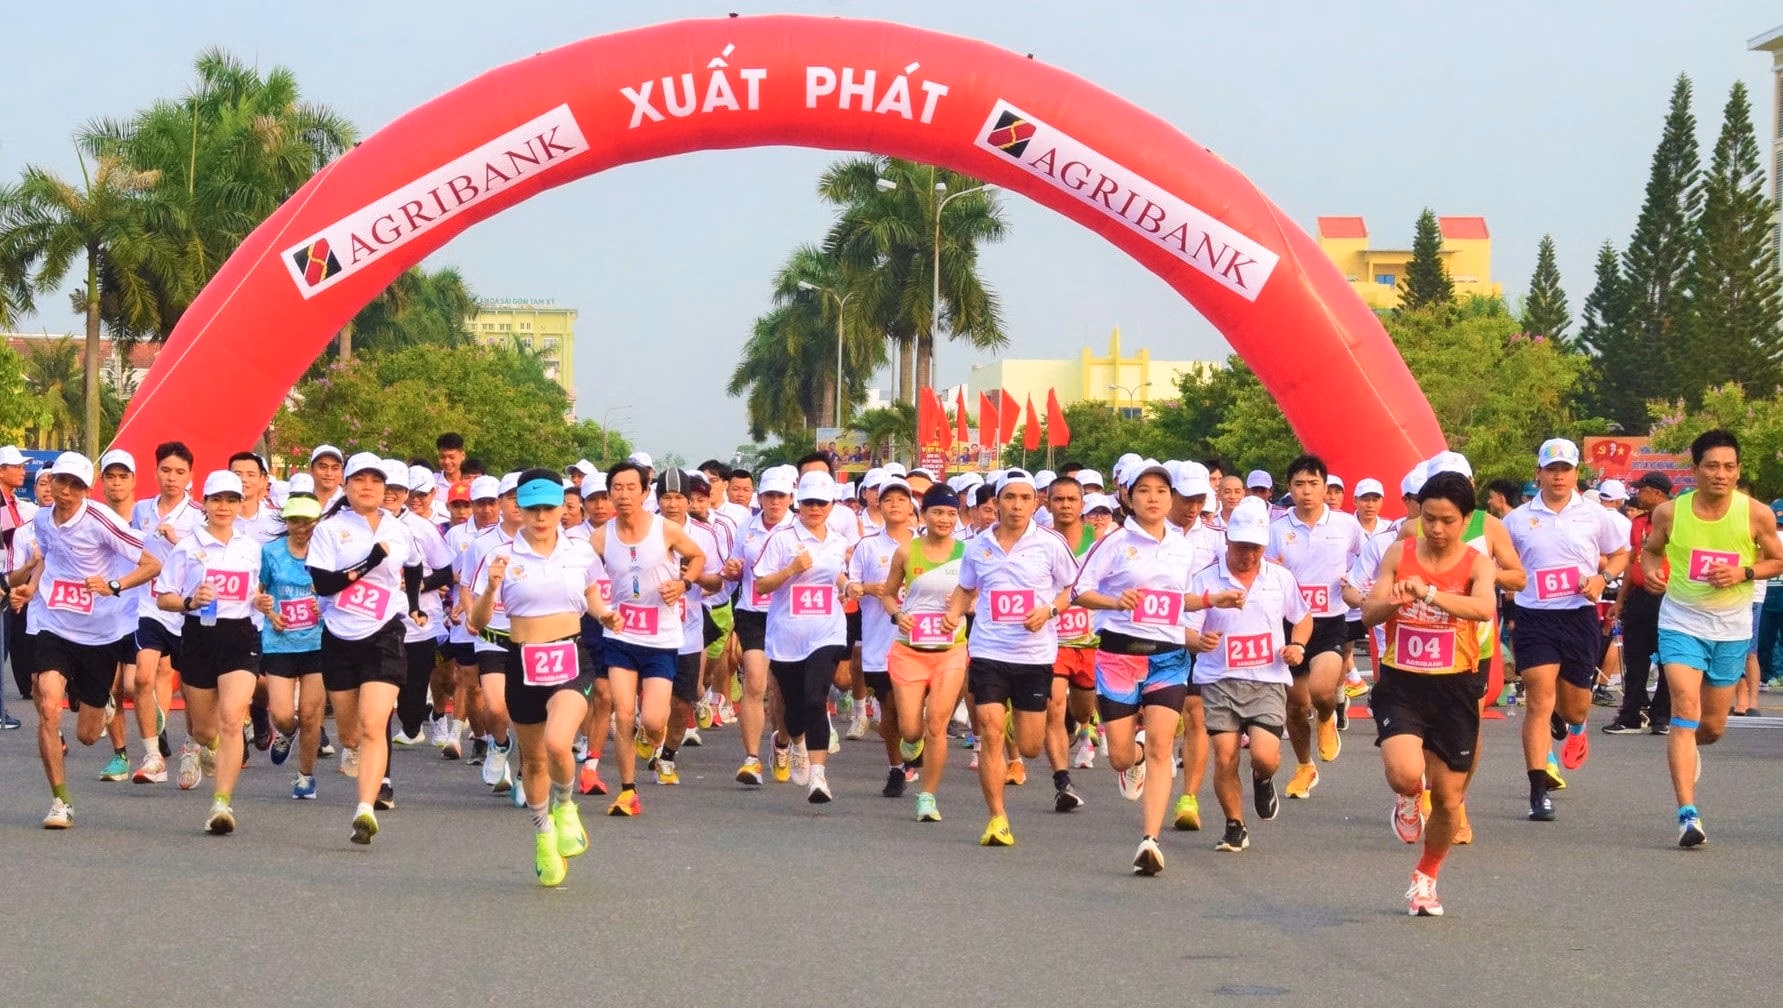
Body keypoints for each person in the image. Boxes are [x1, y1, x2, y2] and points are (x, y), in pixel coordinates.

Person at [1360, 471, 1497, 917]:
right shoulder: (1399, 553)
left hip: (1455, 686)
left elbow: (1484, 608)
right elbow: (1367, 613)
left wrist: (1431, 595)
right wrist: (1394, 602)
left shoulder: (1477, 563)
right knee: (1406, 773)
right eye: (1429, 519)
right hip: (1402, 683)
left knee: (1449, 799)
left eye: (1447, 521)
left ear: (1466, 520)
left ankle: (1427, 876)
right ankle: (1406, 796)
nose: (1436, 529)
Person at [1071, 461, 1217, 875]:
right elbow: (1080, 591)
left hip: (1168, 657)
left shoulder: (1183, 547)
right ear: (1129, 498)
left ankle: (1150, 840)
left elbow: (1181, 599)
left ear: (1171, 499)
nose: (1153, 498)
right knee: (1120, 756)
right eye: (1144, 491)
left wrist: (1211, 601)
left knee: (1160, 747)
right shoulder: (1114, 542)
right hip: (1119, 656)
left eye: (1161, 491)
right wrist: (1116, 602)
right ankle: (1131, 761)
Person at [1639, 429, 1783, 847]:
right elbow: (1651, 550)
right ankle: (1688, 814)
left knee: (1712, 726)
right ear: (1695, 470)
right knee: (1684, 707)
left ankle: (1690, 747)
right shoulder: (1670, 513)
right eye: (1712, 466)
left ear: (1738, 471)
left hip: (1732, 628)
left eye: (1729, 467)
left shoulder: (1756, 514)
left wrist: (1744, 572)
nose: (1721, 474)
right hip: (1681, 622)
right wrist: (1651, 572)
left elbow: (1777, 560)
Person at [471, 468, 610, 885]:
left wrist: (606, 615)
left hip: (570, 656)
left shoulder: (580, 551)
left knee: (557, 741)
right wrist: (491, 588)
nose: (541, 516)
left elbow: (593, 595)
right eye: (532, 508)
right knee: (533, 760)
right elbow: (477, 621)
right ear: (519, 509)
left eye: (549, 507)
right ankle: (543, 834)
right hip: (522, 660)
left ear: (563, 508)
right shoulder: (501, 556)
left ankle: (565, 806)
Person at [14, 453, 162, 828]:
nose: (66, 491)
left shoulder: (101, 520)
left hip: (99, 634)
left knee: (88, 736)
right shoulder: (42, 519)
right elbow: (47, 558)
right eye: (61, 481)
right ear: (50, 481)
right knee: (48, 704)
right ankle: (60, 801)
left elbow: (152, 565)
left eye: (76, 485)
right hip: (55, 624)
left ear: (87, 490)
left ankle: (104, 704)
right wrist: (32, 586)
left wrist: (114, 585)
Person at [944, 469, 1079, 847]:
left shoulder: (1050, 543)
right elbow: (965, 588)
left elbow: (1072, 588)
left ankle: (1012, 724)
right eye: (1009, 498)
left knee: (1030, 746)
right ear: (997, 502)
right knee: (989, 733)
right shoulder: (978, 546)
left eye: (1024, 498)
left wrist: (1050, 610)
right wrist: (953, 613)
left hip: (1034, 655)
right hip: (988, 650)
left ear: (1035, 503)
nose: (1017, 505)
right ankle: (997, 818)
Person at [1504, 439, 1628, 822]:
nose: (1558, 476)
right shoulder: (1517, 519)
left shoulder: (1596, 515)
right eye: (1551, 469)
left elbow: (1622, 553)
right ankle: (1538, 791)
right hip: (1534, 617)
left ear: (1576, 474)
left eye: (1566, 469)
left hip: (1578, 616)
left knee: (1575, 706)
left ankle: (1575, 725)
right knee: (1539, 701)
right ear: (1539, 473)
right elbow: (1502, 562)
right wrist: (1508, 582)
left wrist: (1603, 578)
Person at [307, 452, 422, 845]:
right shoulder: (330, 529)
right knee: (351, 733)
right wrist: (369, 562)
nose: (368, 487)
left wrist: (415, 604)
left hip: (384, 632)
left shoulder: (399, 529)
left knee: (374, 724)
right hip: (339, 634)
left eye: (375, 480)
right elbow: (324, 585)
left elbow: (415, 565)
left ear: (385, 487)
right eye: (359, 480)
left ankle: (365, 808)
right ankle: (352, 751)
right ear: (346, 486)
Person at [1185, 496, 1308, 855]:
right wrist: (1199, 641)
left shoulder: (1280, 577)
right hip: (1219, 679)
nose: (1248, 555)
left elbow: (1302, 617)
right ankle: (1234, 825)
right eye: (1241, 546)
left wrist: (1298, 645)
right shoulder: (1205, 580)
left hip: (1267, 678)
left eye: (1256, 548)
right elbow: (1185, 627)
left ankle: (1262, 777)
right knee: (1225, 755)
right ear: (1227, 540)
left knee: (1265, 756)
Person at [154, 470, 274, 834]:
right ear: (204, 504)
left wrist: (261, 601)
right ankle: (211, 747)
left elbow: (257, 592)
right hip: (199, 637)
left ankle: (221, 804)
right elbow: (163, 597)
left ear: (240, 504)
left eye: (232, 500)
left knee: (232, 719)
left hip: (240, 636)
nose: (224, 507)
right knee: (206, 731)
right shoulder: (187, 547)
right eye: (217, 500)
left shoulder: (251, 548)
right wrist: (190, 601)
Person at [591, 461, 706, 815]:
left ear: (644, 493)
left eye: (631, 488)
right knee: (625, 713)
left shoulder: (665, 529)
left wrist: (683, 584)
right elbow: (585, 582)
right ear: (609, 493)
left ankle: (650, 737)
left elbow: (697, 556)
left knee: (654, 721)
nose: (624, 495)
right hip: (620, 635)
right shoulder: (601, 537)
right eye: (617, 488)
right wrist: (602, 612)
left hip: (661, 639)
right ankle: (628, 791)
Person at [1266, 455, 1365, 799]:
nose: (1306, 491)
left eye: (1313, 484)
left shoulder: (1345, 525)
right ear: (1289, 488)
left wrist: (1354, 582)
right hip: (1289, 624)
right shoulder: (1276, 530)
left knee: (1322, 690)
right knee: (1295, 705)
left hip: (1330, 622)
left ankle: (1326, 717)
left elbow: (1367, 558)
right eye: (1299, 484)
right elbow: (1265, 571)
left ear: (1325, 487)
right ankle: (1305, 766)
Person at [752, 470, 850, 802]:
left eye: (821, 503)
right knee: (794, 708)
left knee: (815, 699)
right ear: (798, 504)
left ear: (832, 504)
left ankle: (818, 776)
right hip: (788, 635)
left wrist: (848, 585)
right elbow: (761, 585)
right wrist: (791, 569)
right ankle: (794, 743)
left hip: (827, 631)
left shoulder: (837, 540)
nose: (815, 508)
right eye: (809, 502)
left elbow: (836, 574)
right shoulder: (781, 539)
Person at [882, 484, 971, 822]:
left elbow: (979, 595)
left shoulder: (967, 553)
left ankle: (928, 796)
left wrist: (961, 606)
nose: (944, 519)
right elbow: (888, 594)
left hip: (950, 651)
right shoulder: (906, 551)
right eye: (937, 512)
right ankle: (911, 744)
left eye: (951, 513)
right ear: (923, 515)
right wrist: (897, 615)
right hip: (910, 650)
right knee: (911, 729)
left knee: (936, 723)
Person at [129, 442, 204, 785]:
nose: (171, 478)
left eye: (179, 472)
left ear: (190, 476)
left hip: (187, 610)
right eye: (165, 470)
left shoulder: (200, 515)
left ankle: (192, 748)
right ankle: (152, 756)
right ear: (155, 471)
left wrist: (177, 540)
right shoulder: (141, 510)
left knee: (191, 688)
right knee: (142, 677)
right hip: (151, 606)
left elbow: (208, 561)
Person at [845, 476, 917, 798]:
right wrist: (869, 588)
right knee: (890, 710)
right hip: (879, 641)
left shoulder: (925, 544)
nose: (895, 505)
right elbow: (852, 587)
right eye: (888, 500)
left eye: (901, 499)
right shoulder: (868, 546)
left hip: (919, 643)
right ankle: (896, 767)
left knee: (913, 713)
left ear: (911, 506)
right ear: (879, 505)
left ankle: (913, 745)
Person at [723, 465, 795, 786]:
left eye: (780, 496)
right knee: (755, 682)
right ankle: (751, 760)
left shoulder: (799, 529)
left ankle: (782, 744)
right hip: (753, 612)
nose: (775, 502)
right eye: (769, 495)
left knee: (784, 689)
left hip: (789, 614)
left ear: (790, 498)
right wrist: (733, 569)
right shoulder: (747, 528)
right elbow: (735, 567)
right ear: (760, 498)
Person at [261, 492, 327, 799]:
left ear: (318, 522)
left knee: (311, 715)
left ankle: (305, 777)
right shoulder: (271, 552)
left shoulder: (327, 552)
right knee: (283, 714)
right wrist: (269, 611)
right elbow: (258, 592)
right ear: (286, 522)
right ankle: (287, 731)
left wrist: (323, 605)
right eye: (295, 521)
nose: (301, 528)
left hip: (318, 642)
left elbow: (341, 591)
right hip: (280, 641)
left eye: (307, 521)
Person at [1043, 475, 1097, 810]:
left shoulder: (1100, 541)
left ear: (1082, 504)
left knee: (1083, 710)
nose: (1065, 505)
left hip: (1090, 643)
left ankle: (1081, 726)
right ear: (1048, 503)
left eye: (1071, 499)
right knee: (1053, 707)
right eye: (1058, 499)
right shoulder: (1039, 540)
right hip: (1052, 641)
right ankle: (1062, 781)